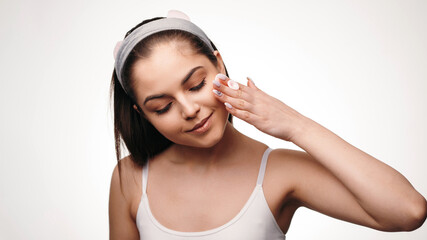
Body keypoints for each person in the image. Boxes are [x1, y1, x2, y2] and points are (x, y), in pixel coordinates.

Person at [108, 10, 427, 240]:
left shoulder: (279, 171)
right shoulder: (131, 178)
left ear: (218, 63)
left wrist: (295, 125)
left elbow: (408, 211)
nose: (190, 109)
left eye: (196, 85)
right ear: (142, 113)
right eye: (163, 107)